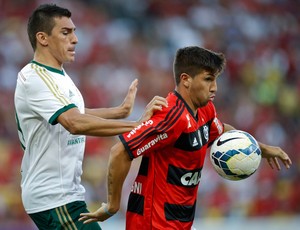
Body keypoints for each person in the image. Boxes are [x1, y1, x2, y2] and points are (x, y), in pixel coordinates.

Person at [79, 46, 293, 229]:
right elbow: (120, 151)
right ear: (186, 80)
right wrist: (112, 204)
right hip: (153, 223)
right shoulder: (171, 116)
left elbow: (222, 132)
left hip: (180, 221)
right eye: (208, 79)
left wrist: (261, 149)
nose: (214, 87)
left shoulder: (205, 110)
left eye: (216, 79)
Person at [14, 3, 167, 230]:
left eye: (74, 32)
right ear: (43, 38)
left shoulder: (58, 75)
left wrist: (119, 112)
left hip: (64, 195)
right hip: (53, 197)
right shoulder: (35, 77)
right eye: (66, 33)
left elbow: (74, 113)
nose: (75, 39)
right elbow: (74, 123)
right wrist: (136, 125)